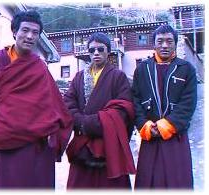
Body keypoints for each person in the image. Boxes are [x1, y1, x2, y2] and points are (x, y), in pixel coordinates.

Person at [0, 10, 73, 189]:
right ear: (14, 32)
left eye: (35, 32)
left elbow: (58, 107)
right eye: (25, 30)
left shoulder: (39, 67)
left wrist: (55, 140)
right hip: (6, 144)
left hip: (38, 147)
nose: (30, 36)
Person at [64, 32, 136, 189]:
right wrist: (81, 122)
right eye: (92, 50)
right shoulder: (79, 77)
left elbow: (123, 109)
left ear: (108, 52)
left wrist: (90, 124)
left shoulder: (118, 77)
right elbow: (68, 104)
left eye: (100, 49)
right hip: (83, 143)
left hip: (108, 142)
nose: (96, 53)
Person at [132, 24, 197, 189]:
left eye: (169, 41)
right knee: (149, 184)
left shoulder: (186, 69)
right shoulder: (142, 69)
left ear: (175, 43)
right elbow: (135, 101)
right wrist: (144, 125)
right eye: (160, 41)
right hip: (150, 137)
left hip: (175, 136)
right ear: (153, 44)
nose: (165, 45)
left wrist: (167, 125)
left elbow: (188, 103)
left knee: (177, 183)